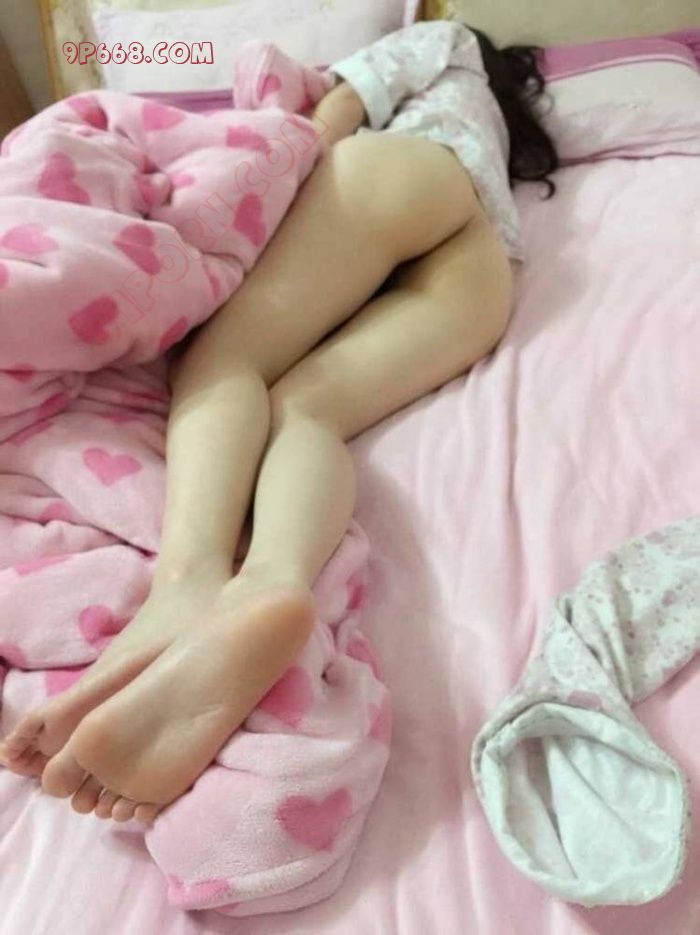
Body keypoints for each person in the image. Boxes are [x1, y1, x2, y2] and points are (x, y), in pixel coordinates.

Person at [1, 19, 558, 825]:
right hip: (481, 273)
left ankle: (189, 579)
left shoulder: (444, 40)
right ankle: (271, 583)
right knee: (310, 408)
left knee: (224, 364)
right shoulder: (494, 142)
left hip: (395, 176)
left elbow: (327, 120)